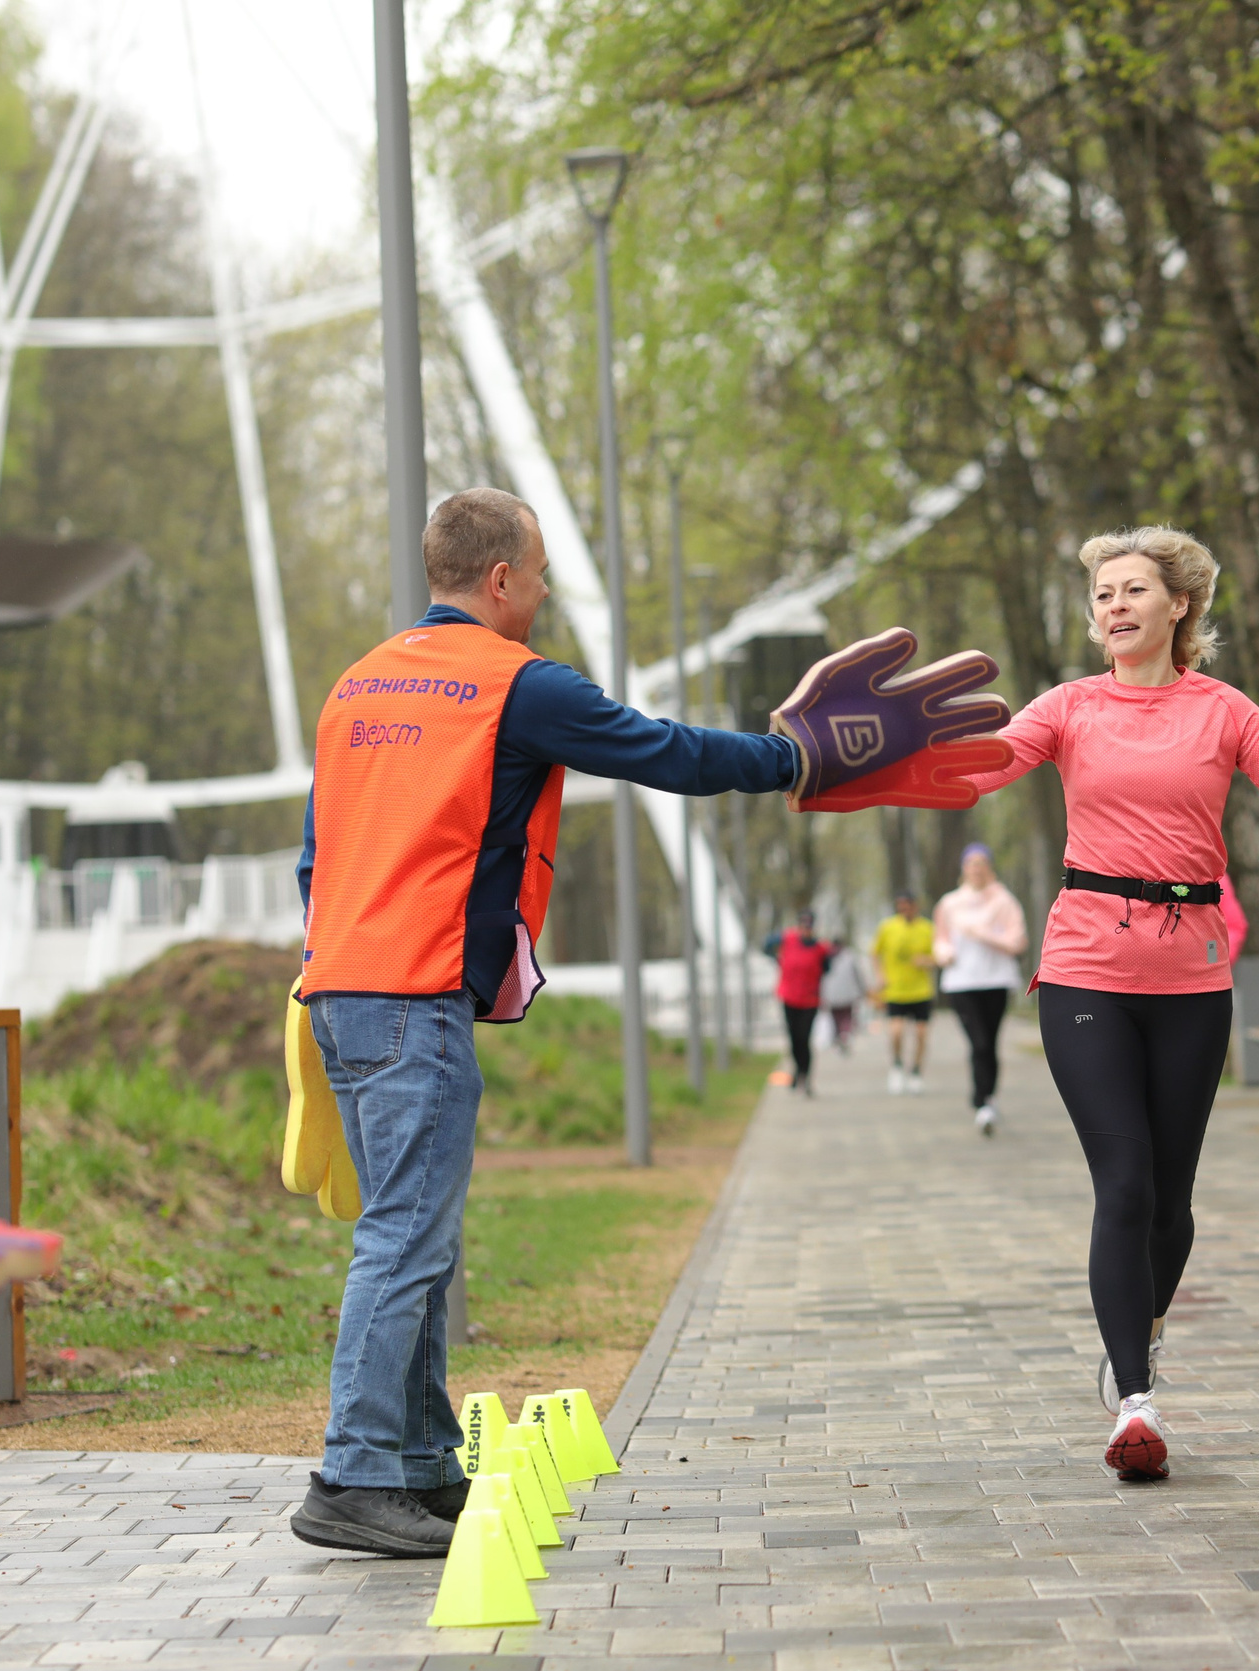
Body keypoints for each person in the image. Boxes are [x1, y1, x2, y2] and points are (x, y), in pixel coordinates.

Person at [292, 486, 804, 1556]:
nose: (543, 593)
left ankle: (419, 1465)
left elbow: (317, 852)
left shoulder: (356, 684)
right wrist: (795, 760)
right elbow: (667, 753)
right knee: (401, 1238)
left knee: (416, 1234)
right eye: (538, 574)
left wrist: (332, 964)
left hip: (341, 991)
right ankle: (351, 1474)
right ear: (499, 580)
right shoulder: (513, 686)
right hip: (411, 999)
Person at [956, 526, 1259, 1481]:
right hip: (1086, 960)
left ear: (1180, 606)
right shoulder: (1070, 708)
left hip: (1192, 977)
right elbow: (977, 770)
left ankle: (1142, 1324)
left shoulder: (1223, 711)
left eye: (1133, 590)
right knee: (1123, 1181)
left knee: (1172, 1204)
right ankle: (1135, 1400)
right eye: (1101, 595)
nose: (1115, 606)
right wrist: (880, 759)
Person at [932, 844, 1027, 1135]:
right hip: (961, 982)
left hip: (996, 980)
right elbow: (941, 939)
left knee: (990, 1041)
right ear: (963, 868)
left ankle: (988, 1098)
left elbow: (1017, 943)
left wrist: (983, 935)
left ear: (989, 867)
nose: (976, 868)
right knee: (979, 1042)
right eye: (971, 863)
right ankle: (982, 1100)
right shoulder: (949, 903)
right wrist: (943, 953)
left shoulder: (1005, 901)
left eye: (982, 862)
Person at [871, 893, 937, 1094]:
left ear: (915, 907)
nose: (904, 911)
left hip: (920, 991)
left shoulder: (927, 928)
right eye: (900, 907)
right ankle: (897, 1066)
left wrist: (926, 961)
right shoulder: (888, 927)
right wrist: (880, 976)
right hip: (895, 990)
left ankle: (916, 1071)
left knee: (921, 1034)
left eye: (907, 907)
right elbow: (875, 954)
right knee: (896, 1031)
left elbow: (939, 956)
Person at [768, 912, 833, 1095]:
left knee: (805, 1038)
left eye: (809, 926)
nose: (806, 929)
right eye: (803, 925)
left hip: (810, 999)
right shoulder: (787, 938)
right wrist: (777, 958)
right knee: (793, 1038)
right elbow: (767, 945)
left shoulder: (820, 948)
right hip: (789, 997)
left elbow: (827, 968)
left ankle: (806, 1077)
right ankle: (797, 1070)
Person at [820, 940, 867, 1054]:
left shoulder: (827, 955)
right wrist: (862, 989)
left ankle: (839, 1038)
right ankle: (844, 1037)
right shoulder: (849, 956)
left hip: (831, 995)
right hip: (847, 994)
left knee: (836, 1018)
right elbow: (857, 974)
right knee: (846, 1018)